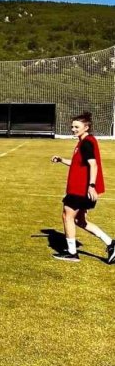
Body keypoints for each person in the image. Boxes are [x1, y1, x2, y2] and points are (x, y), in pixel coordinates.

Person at [51, 111, 115, 263]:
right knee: (80, 221)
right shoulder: (85, 141)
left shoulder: (86, 143)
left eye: (76, 127)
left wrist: (91, 186)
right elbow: (78, 164)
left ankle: (72, 253)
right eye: (72, 127)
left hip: (80, 189)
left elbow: (93, 165)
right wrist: (61, 160)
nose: (73, 129)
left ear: (86, 127)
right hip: (81, 189)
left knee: (67, 216)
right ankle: (111, 243)